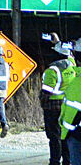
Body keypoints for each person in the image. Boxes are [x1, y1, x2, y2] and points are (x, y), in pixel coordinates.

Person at [44, 35, 78, 165]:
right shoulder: (72, 65)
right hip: (67, 105)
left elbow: (46, 92)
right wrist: (57, 41)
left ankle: (54, 161)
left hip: (52, 106)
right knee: (65, 135)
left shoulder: (52, 70)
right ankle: (67, 161)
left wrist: (43, 104)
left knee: (53, 136)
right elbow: (69, 55)